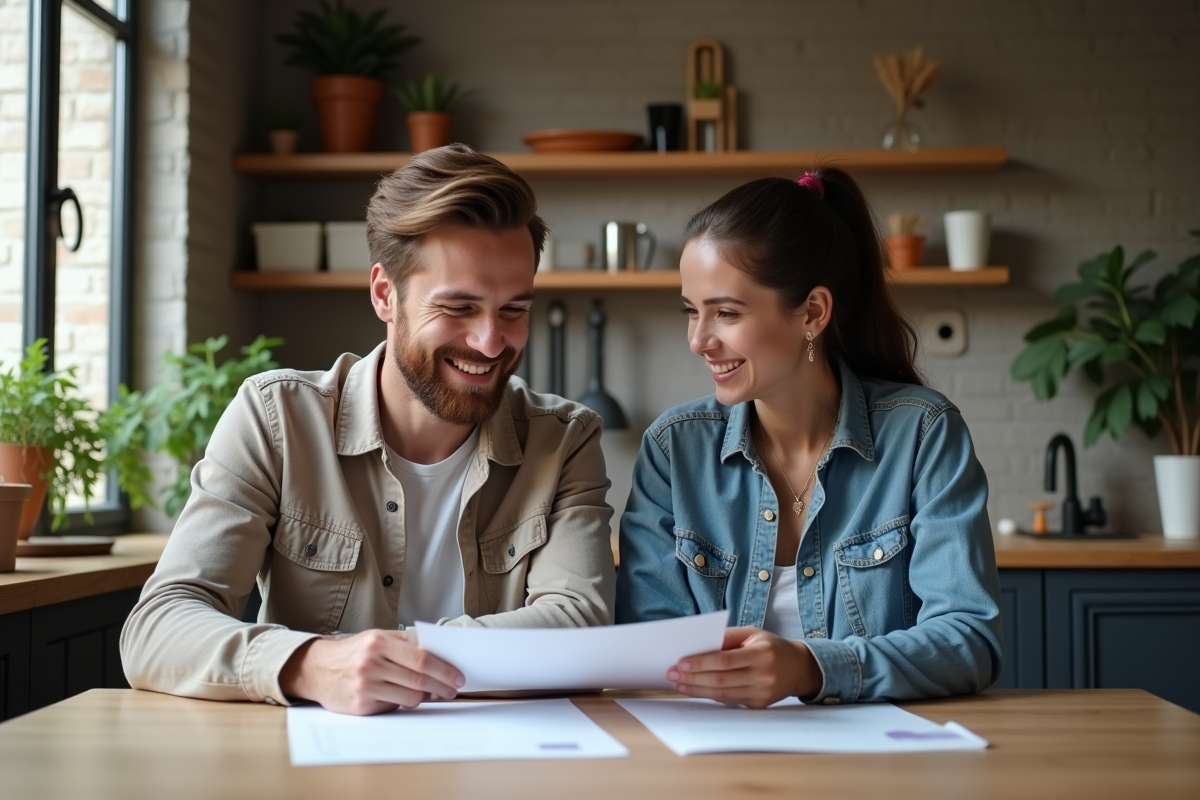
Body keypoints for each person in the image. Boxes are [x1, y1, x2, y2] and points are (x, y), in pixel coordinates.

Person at [122, 145, 616, 715]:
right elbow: (157, 627)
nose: (491, 342)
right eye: (458, 308)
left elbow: (578, 625)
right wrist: (310, 664)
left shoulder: (564, 439)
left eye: (513, 310)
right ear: (385, 294)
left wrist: (402, 655)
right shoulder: (276, 417)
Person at [616, 168, 1003, 709]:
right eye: (690, 311)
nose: (699, 340)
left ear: (812, 313)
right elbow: (646, 652)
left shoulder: (922, 433)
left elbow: (969, 640)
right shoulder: (673, 450)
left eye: (726, 312)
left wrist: (812, 667)